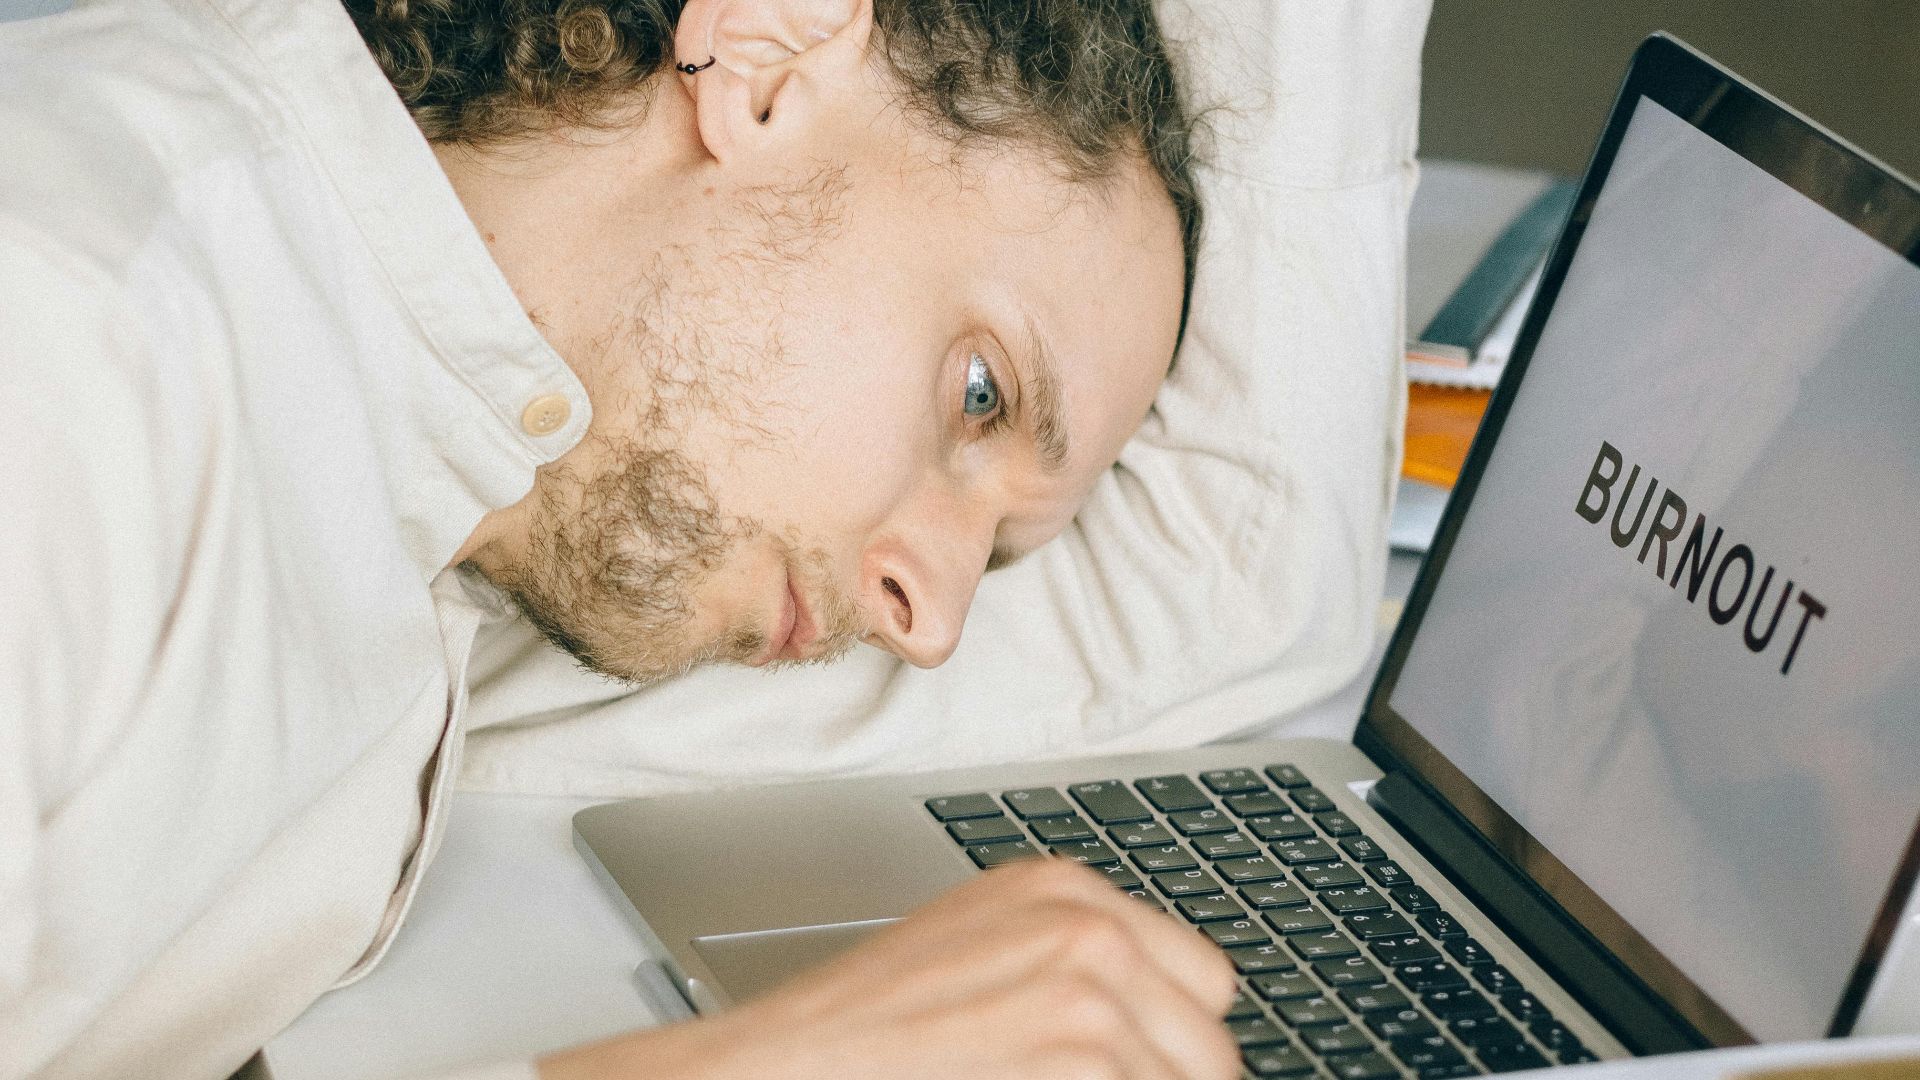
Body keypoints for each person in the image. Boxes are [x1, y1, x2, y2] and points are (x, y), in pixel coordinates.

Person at [0, 0, 1423, 1075]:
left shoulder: (499, 499)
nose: (932, 628)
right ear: (765, 59)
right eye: (980, 394)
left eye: (994, 556)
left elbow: (1236, 595)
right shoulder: (71, 356)